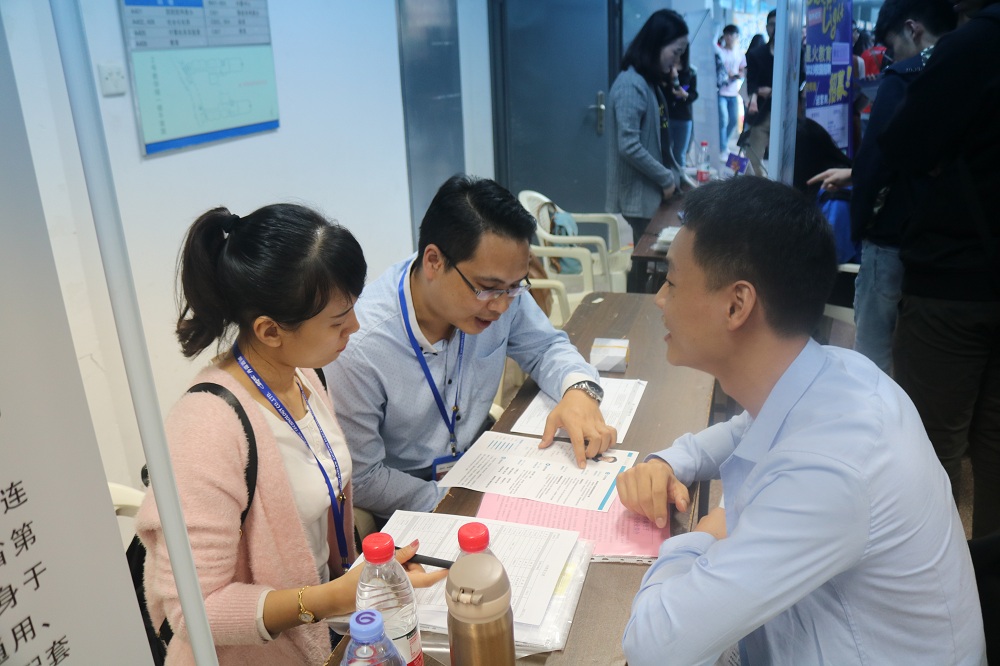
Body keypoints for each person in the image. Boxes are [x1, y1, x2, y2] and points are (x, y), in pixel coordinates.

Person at [617, 177, 985, 665]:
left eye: (673, 282)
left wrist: (704, 535)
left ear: (736, 304)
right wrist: (669, 461)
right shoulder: (839, 371)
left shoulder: (830, 467)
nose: (660, 299)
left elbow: (653, 647)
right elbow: (743, 430)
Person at [135, 204, 447, 664]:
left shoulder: (303, 378)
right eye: (339, 321)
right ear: (269, 331)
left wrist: (361, 579)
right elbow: (195, 611)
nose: (355, 327)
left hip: (326, 630)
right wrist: (330, 598)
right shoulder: (207, 427)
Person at [327, 175, 616, 522]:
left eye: (514, 287)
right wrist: (459, 504)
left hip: (482, 463)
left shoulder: (500, 291)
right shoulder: (359, 346)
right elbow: (363, 478)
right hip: (411, 501)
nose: (501, 306)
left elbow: (546, 347)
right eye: (487, 288)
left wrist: (579, 391)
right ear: (434, 261)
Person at [879, 0, 1000, 539]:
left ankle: (934, 580)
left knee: (930, 447)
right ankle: (988, 579)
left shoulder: (969, 48)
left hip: (952, 280)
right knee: (994, 446)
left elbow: (902, 143)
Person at [807, 0, 957, 373]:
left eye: (892, 46)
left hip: (892, 236)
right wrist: (854, 173)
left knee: (873, 356)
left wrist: (861, 228)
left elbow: (879, 158)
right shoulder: (973, 68)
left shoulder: (905, 77)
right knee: (922, 356)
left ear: (913, 29)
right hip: (948, 245)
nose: (892, 56)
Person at [606, 9, 689, 291]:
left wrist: (680, 176)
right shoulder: (631, 85)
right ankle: (640, 309)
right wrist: (666, 178)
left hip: (651, 190)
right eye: (675, 52)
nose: (677, 61)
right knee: (649, 261)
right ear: (656, 45)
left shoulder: (648, 83)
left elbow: (662, 140)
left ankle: (645, 304)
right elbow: (629, 145)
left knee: (652, 262)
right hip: (641, 194)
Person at [743, 10, 776, 177]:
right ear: (767, 27)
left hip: (787, 117)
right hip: (761, 113)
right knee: (753, 160)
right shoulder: (756, 54)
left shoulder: (795, 54)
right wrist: (755, 94)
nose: (775, 29)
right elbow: (751, 83)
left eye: (779, 25)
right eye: (772, 24)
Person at [665, 47, 698, 168]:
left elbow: (694, 94)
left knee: (679, 153)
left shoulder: (691, 71)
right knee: (666, 150)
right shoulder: (665, 69)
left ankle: (679, 177)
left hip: (684, 116)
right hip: (667, 115)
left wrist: (685, 95)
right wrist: (673, 77)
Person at [715, 24, 744, 160]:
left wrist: (737, 75)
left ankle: (722, 143)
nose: (729, 37)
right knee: (723, 120)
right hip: (721, 91)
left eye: (732, 35)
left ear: (737, 36)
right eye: (726, 34)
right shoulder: (720, 52)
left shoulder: (739, 53)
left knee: (733, 121)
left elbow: (743, 70)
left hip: (733, 92)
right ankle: (722, 148)